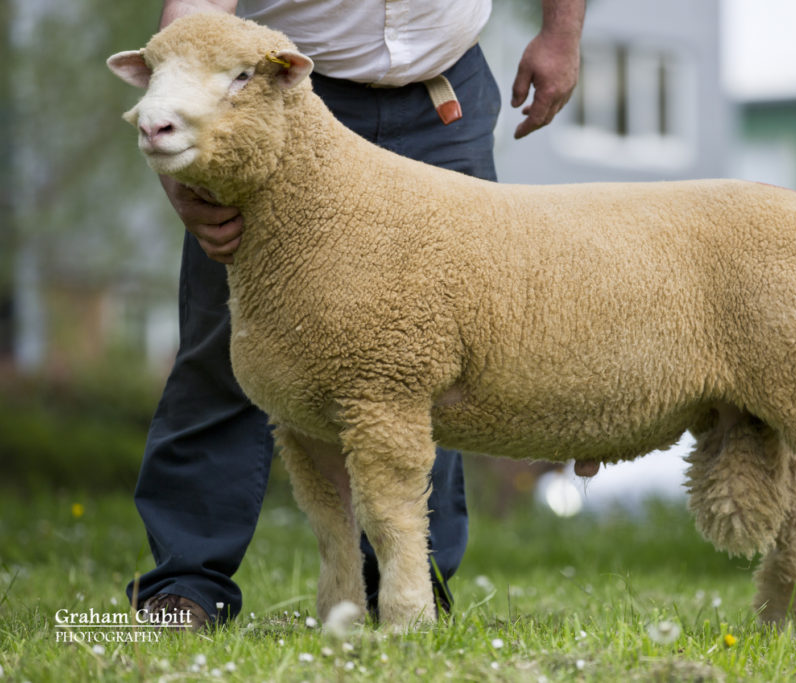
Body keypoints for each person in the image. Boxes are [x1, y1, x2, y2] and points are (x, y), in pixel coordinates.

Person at [128, 0, 584, 630]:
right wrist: (183, 123)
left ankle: (405, 585)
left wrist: (562, 32)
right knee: (231, 337)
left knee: (431, 351)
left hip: (440, 95)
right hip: (273, 93)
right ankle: (185, 587)